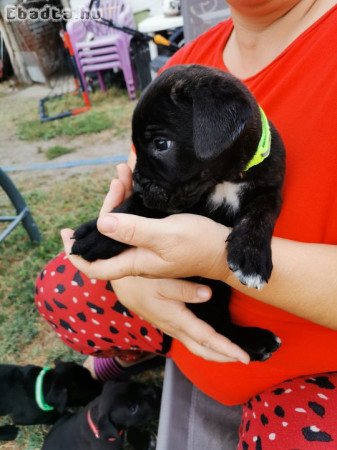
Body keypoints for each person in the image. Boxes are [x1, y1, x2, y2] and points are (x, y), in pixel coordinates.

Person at [35, 0, 337, 447]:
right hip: (180, 296)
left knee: (300, 436)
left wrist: (217, 258)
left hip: (307, 353)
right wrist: (132, 285)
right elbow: (146, 189)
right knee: (62, 286)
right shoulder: (185, 64)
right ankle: (146, 346)